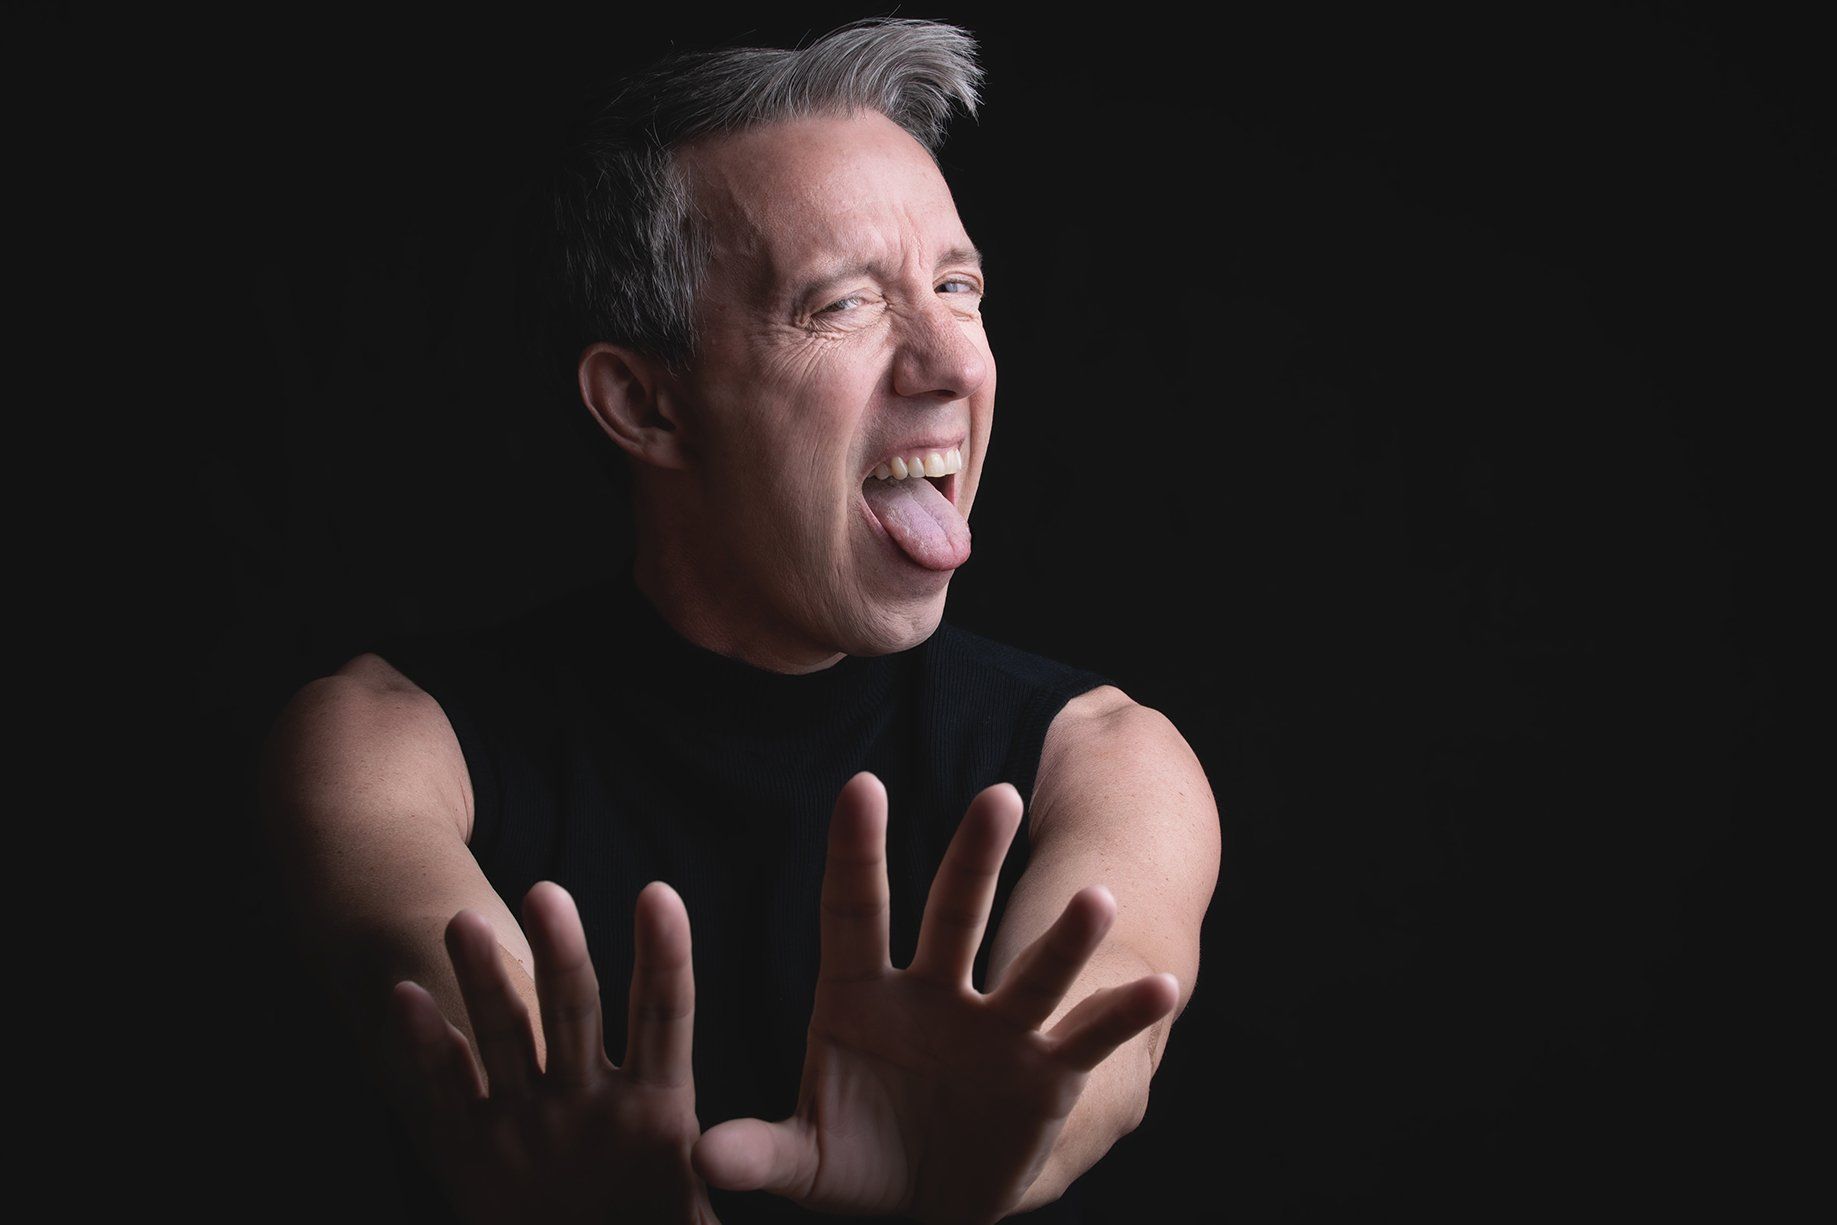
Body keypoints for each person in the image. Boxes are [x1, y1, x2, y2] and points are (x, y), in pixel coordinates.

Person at [258, 17, 1219, 1224]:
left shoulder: (1112, 760)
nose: (949, 365)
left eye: (956, 287)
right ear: (645, 405)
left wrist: (986, 1158)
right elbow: (441, 1008)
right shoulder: (388, 745)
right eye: (843, 304)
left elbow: (1107, 1037)